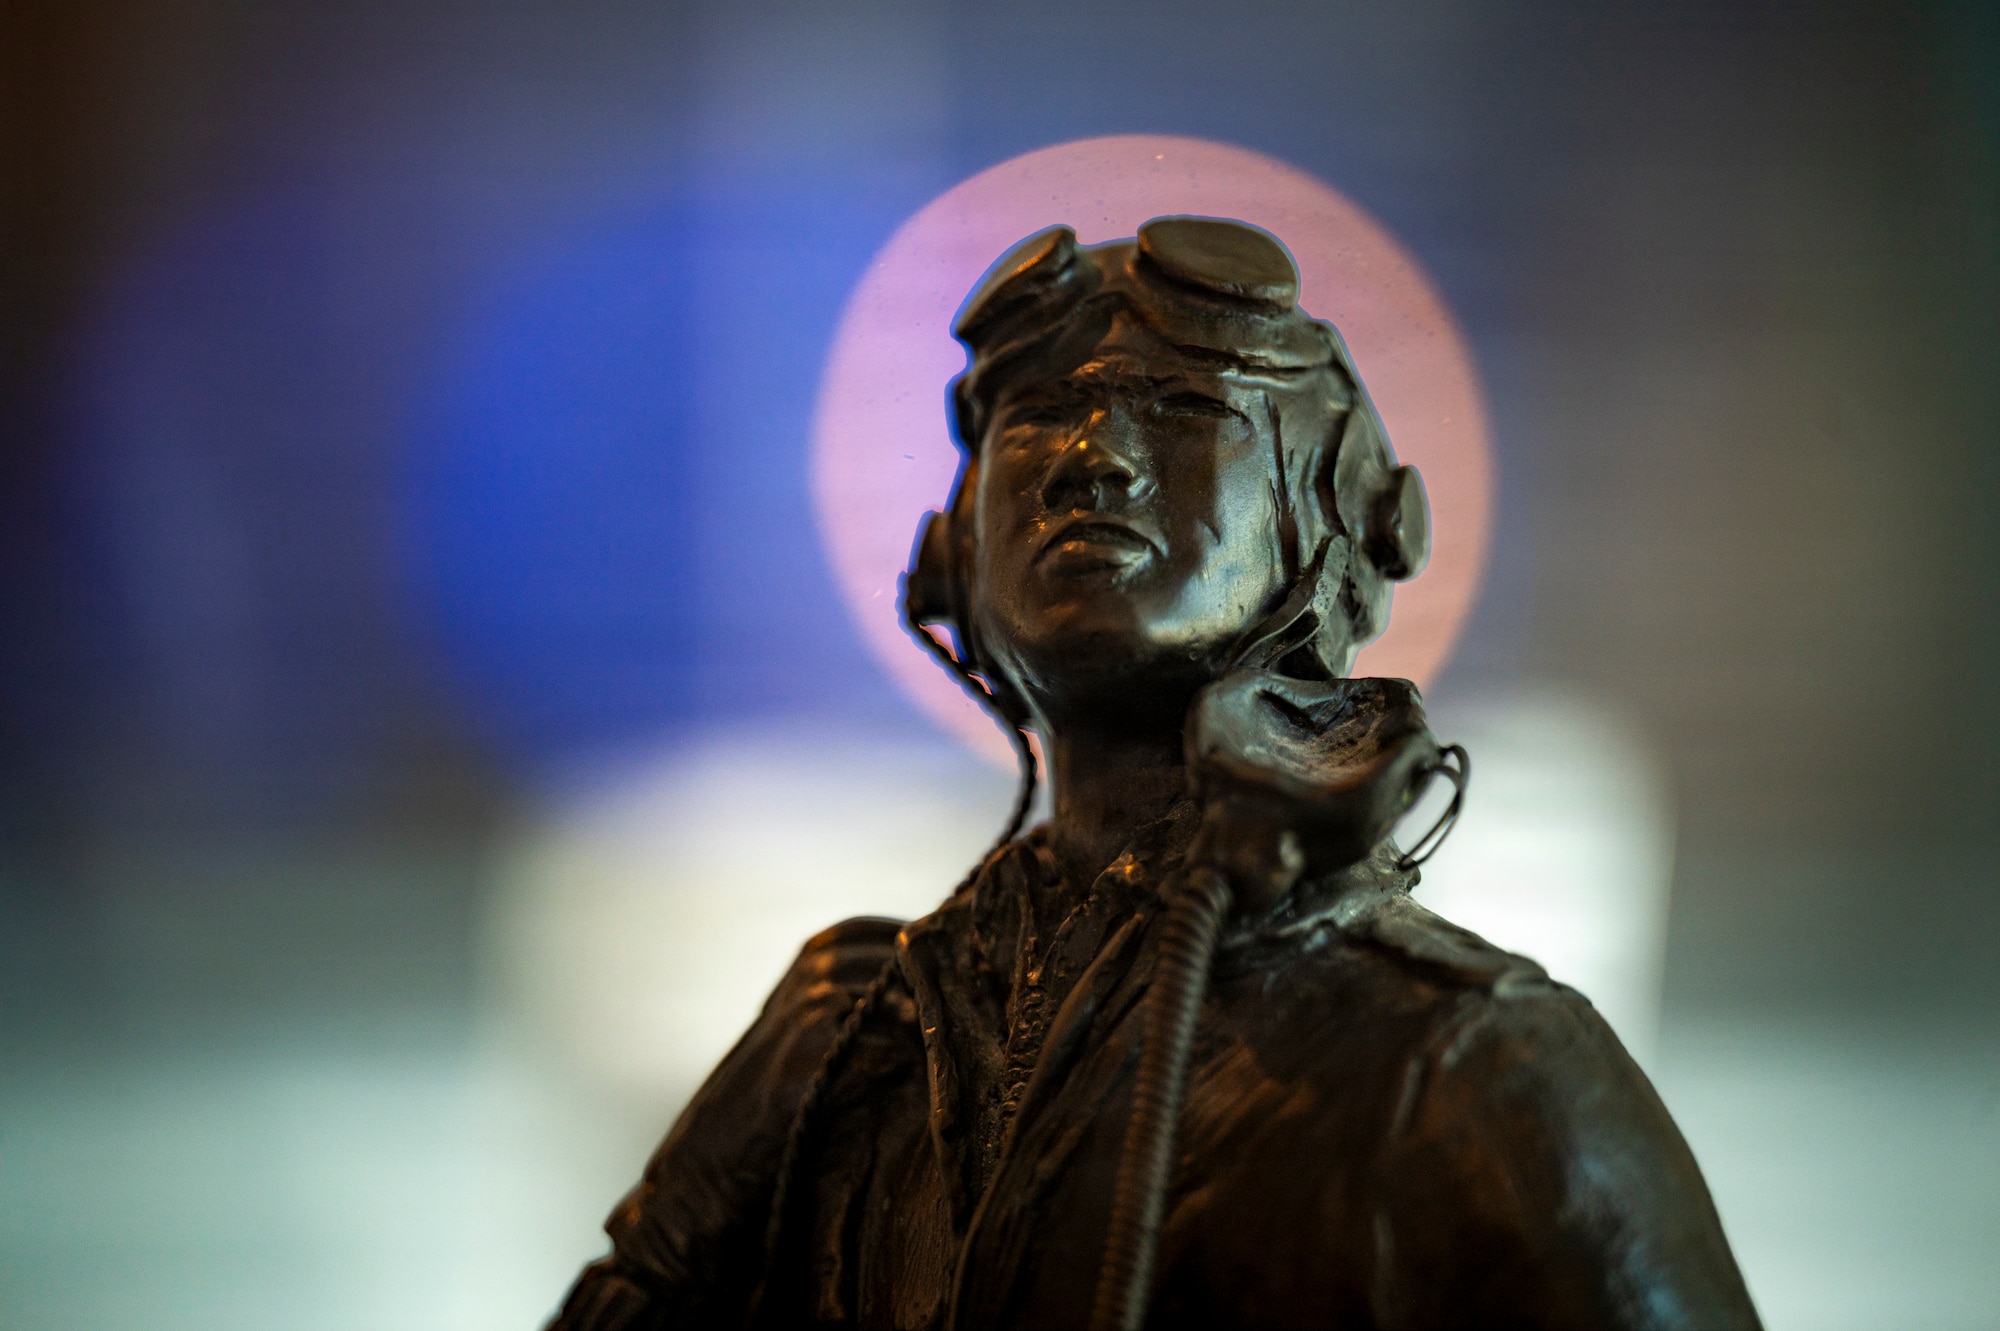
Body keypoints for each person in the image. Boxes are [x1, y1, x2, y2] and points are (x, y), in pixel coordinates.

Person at [548, 218, 1762, 1330]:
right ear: (950, 562)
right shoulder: (856, 1051)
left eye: (1177, 410)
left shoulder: (1470, 1066)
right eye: (1037, 420)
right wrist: (674, 1247)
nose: (1090, 459)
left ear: (1334, 521)